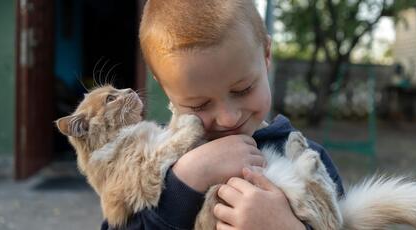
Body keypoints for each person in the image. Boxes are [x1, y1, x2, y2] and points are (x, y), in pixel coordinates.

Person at [101, 0, 343, 229]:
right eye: (200, 105)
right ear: (166, 89)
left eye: (243, 89)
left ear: (266, 54)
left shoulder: (307, 158)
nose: (229, 118)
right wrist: (185, 180)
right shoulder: (154, 163)